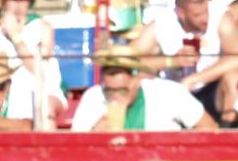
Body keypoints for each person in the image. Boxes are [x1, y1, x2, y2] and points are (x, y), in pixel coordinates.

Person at [71, 43, 216, 131]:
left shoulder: (168, 93)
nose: (115, 97)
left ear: (137, 80)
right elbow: (73, 147)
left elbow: (209, 128)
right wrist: (93, 136)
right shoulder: (94, 97)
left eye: (122, 90)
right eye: (109, 91)